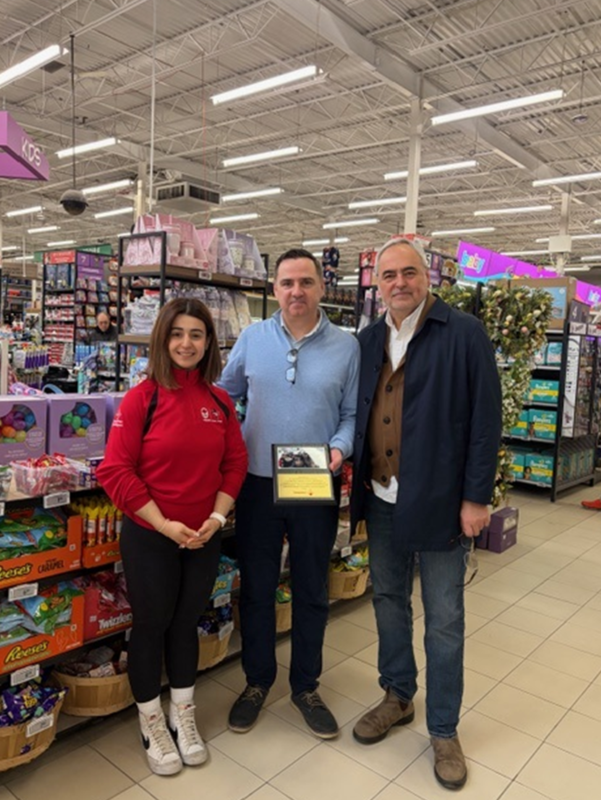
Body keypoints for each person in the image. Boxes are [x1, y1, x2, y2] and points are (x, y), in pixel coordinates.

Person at [350, 238, 502, 791]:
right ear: (377, 283)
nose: (399, 283)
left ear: (426, 278)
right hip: (382, 500)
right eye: (388, 275)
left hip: (440, 503)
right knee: (388, 601)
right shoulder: (368, 340)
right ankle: (397, 696)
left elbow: (485, 423)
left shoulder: (462, 334)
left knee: (443, 619)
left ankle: (443, 728)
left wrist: (476, 498)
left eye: (408, 272)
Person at [97, 298, 247, 776]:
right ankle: (150, 721)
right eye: (177, 333)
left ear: (209, 342)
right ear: (163, 338)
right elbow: (114, 470)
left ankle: (183, 714)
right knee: (151, 625)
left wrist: (217, 519)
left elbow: (234, 463)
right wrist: (163, 524)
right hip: (151, 536)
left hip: (203, 537)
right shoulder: (144, 397)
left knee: (186, 624)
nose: (186, 343)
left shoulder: (220, 401)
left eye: (197, 335)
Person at [219, 247, 360, 739]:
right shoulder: (253, 338)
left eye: (305, 282)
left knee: (311, 589)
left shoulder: (347, 346)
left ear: (322, 286)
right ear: (274, 289)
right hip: (257, 483)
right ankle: (258, 681)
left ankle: (305, 685)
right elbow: (225, 395)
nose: (295, 291)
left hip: (313, 478)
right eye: (286, 283)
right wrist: (229, 442)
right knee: (257, 589)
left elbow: (351, 415)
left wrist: (340, 449)